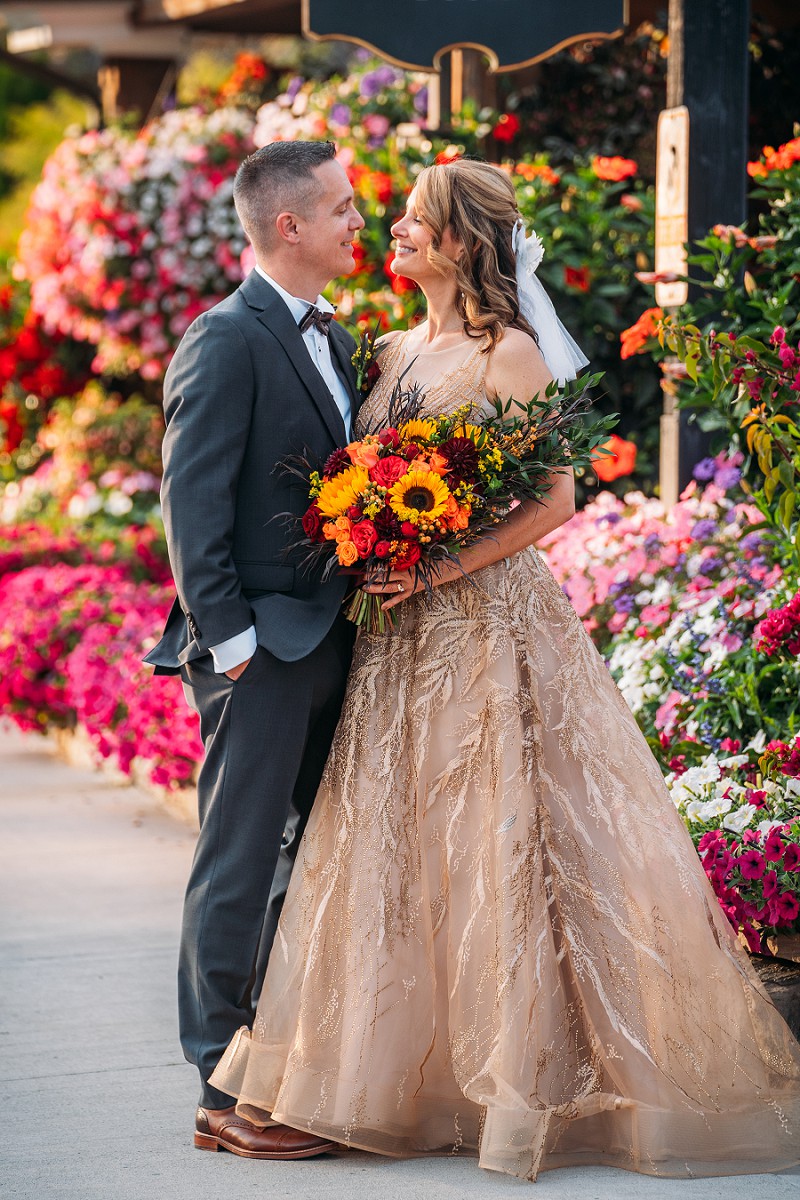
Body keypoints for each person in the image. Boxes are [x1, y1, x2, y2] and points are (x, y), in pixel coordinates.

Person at [210, 158, 800, 1181]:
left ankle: (528, 1079)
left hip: (485, 627)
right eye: (386, 219)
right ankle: (401, 1075)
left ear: (457, 243)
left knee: (507, 842)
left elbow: (554, 500)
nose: (390, 231)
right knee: (400, 843)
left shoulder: (508, 354)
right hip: (395, 640)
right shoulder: (386, 349)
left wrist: (436, 564)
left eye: (411, 222)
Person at [144, 140, 365, 1159]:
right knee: (235, 861)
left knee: (302, 860)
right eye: (341, 208)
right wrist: (230, 644)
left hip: (332, 639)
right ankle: (216, 1088)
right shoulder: (225, 337)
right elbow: (189, 503)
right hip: (258, 651)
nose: (357, 221)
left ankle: (270, 1066)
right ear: (289, 225)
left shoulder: (335, 335)